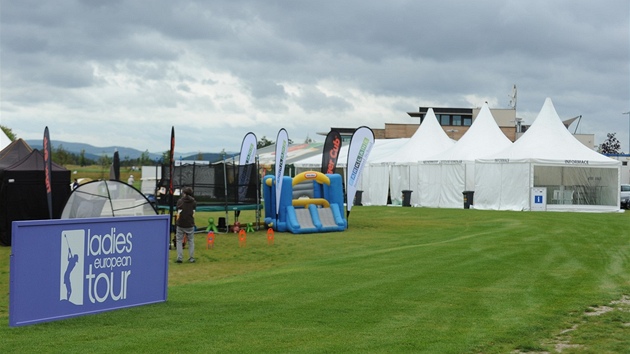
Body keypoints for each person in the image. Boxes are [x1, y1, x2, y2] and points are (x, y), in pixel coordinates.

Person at [175, 186, 197, 263]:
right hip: (190, 223)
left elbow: (177, 210)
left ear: (184, 193)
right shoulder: (194, 202)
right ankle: (191, 257)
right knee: (191, 241)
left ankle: (179, 257)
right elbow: (194, 212)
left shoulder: (180, 201)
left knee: (179, 240)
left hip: (180, 223)